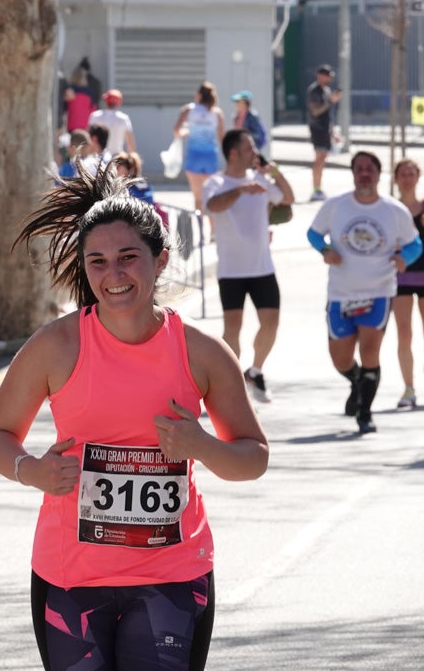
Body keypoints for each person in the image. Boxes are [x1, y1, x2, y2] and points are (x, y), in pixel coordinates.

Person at [0, 167, 268, 671]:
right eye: (98, 262)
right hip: (72, 578)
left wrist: (201, 444)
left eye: (128, 257)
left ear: (160, 260)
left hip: (171, 576)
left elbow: (253, 457)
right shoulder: (57, 344)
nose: (114, 275)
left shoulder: (201, 352)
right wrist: (30, 471)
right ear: (85, 270)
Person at [306, 151, 422, 434]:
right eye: (360, 169)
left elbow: (415, 244)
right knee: (341, 358)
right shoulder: (336, 206)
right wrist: (325, 250)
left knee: (371, 351)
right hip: (341, 293)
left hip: (379, 292)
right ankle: (357, 381)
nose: (365, 173)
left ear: (379, 174)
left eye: (370, 168)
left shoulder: (394, 210)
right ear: (354, 173)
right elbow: (313, 234)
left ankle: (365, 412)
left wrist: (402, 257)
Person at [203, 128, 294, 403]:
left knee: (271, 323)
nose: (254, 152)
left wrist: (274, 172)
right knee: (233, 328)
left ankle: (255, 371)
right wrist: (241, 190)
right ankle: (230, 383)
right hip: (231, 270)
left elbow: (288, 198)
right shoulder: (216, 182)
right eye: (249, 148)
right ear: (233, 153)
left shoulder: (261, 180)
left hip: (262, 267)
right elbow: (212, 205)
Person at [391, 157, 424, 408]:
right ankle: (409, 388)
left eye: (411, 173)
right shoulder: (389, 209)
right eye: (403, 173)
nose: (407, 177)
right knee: (404, 334)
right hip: (399, 279)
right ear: (395, 178)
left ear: (418, 177)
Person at [173, 81, 226, 215]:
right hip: (211, 156)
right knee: (211, 195)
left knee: (197, 197)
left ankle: (201, 230)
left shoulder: (189, 110)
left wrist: (187, 132)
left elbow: (176, 130)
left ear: (198, 95)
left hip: (194, 156)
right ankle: (213, 231)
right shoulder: (217, 113)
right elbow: (221, 138)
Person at [306, 64, 341, 202]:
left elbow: (328, 114)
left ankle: (318, 187)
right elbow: (315, 111)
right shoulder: (314, 91)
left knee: (323, 159)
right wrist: (330, 101)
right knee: (319, 158)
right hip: (317, 129)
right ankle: (316, 188)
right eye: (327, 76)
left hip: (325, 129)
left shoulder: (326, 90)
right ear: (320, 76)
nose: (329, 79)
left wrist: (333, 132)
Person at [88, 89, 136, 155]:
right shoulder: (123, 118)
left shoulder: (95, 116)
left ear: (106, 102)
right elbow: (130, 144)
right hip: (117, 159)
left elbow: (87, 138)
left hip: (98, 157)